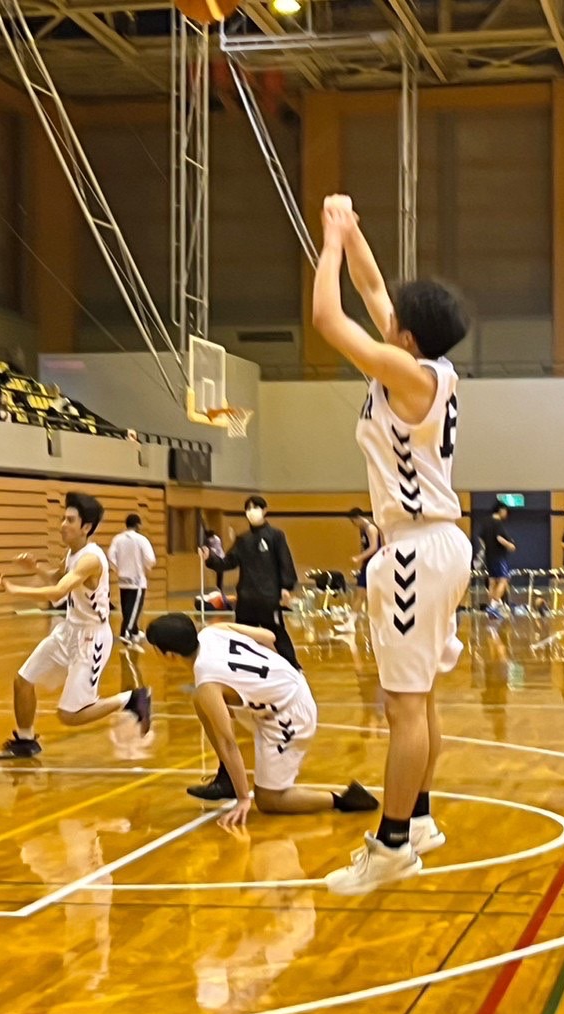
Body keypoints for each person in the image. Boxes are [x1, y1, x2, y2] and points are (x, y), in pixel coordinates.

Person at [311, 193, 473, 894]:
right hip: (433, 545)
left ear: (406, 336)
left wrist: (324, 244)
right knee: (421, 698)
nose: (388, 315)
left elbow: (326, 318)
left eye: (395, 322)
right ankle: (423, 815)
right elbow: (373, 288)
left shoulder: (408, 378)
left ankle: (392, 844)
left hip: (414, 554)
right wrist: (351, 230)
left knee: (403, 706)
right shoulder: (421, 365)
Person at [146, 613, 379, 821]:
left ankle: (343, 799)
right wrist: (273, 677)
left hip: (290, 714)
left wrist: (243, 798)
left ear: (169, 655)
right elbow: (268, 636)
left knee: (269, 801)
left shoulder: (207, 681)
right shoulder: (212, 631)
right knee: (200, 701)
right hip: (292, 684)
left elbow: (228, 742)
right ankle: (228, 778)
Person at [0, 492, 152, 759]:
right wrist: (34, 568)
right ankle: (25, 740)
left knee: (69, 715)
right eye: (63, 518)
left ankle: (131, 699)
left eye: (70, 520)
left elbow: (57, 592)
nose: (62, 525)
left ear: (86, 527)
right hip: (68, 630)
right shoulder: (73, 553)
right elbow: (58, 576)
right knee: (23, 681)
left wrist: (14, 589)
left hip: (91, 640)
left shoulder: (91, 559)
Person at [202, 495, 300, 669]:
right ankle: (244, 666)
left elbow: (285, 561)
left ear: (264, 510)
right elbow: (228, 562)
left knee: (276, 630)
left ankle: (292, 666)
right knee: (243, 633)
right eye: (248, 508)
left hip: (269, 597)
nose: (251, 512)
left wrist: (286, 588)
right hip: (247, 596)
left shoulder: (276, 536)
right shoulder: (243, 540)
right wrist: (211, 559)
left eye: (255, 507)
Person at [108, 513, 157, 652]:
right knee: (134, 608)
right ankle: (126, 633)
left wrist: (117, 570)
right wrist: (147, 567)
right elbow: (150, 558)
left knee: (126, 608)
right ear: (138, 525)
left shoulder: (117, 539)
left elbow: (111, 556)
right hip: (137, 581)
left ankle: (134, 631)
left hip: (123, 581)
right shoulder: (141, 540)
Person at [336, 507, 381, 635]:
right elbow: (365, 549)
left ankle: (352, 623)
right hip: (367, 565)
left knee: (364, 594)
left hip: (374, 564)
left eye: (353, 521)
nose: (353, 524)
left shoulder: (370, 528)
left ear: (357, 518)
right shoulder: (362, 530)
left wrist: (358, 558)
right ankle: (351, 623)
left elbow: (374, 548)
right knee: (360, 594)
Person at [479, 500, 516, 619]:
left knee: (492, 582)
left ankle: (491, 607)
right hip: (499, 556)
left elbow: (481, 539)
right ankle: (494, 606)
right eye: (505, 511)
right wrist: (510, 545)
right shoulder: (497, 523)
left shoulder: (485, 523)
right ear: (501, 510)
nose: (506, 514)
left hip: (489, 556)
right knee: (503, 580)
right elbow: (499, 538)